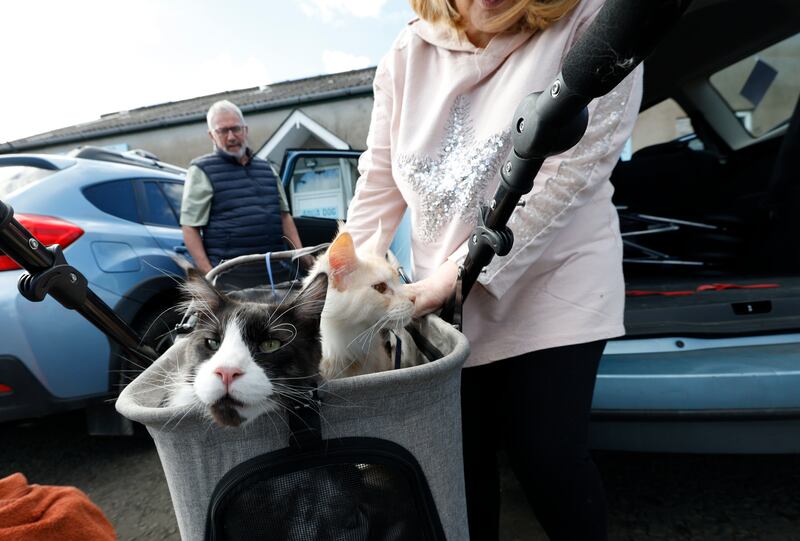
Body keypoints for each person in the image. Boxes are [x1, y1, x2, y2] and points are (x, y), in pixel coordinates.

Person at [344, 0, 642, 539]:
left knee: (548, 461)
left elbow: (570, 174)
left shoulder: (592, 18)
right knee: (457, 468)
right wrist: (339, 281)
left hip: (554, 285)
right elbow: (379, 180)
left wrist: (453, 276)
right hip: (446, 307)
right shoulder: (406, 53)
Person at [180, 100, 306, 275]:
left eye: (236, 129)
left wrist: (302, 255)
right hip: (231, 276)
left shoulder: (266, 168)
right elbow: (190, 228)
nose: (231, 137)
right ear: (211, 136)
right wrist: (210, 274)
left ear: (245, 130)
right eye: (223, 131)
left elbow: (284, 216)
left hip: (276, 269)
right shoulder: (201, 171)